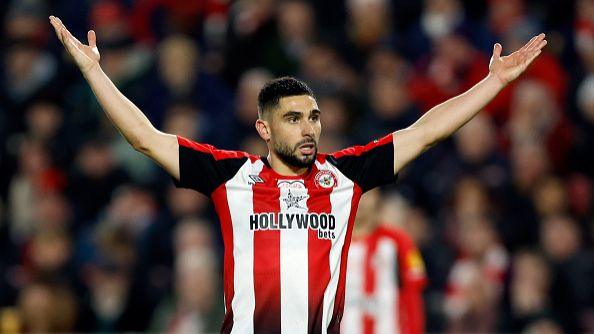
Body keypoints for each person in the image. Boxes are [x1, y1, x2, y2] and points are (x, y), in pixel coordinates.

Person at [49, 15, 547, 334]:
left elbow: (425, 132)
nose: (309, 128)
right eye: (293, 118)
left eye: (313, 117)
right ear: (263, 128)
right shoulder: (230, 176)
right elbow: (144, 137)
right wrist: (95, 73)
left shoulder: (346, 175)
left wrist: (491, 83)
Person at [342, 189, 427, 334]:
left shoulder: (400, 242)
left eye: (367, 193)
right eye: (354, 190)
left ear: (378, 197)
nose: (361, 199)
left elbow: (413, 295)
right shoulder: (331, 242)